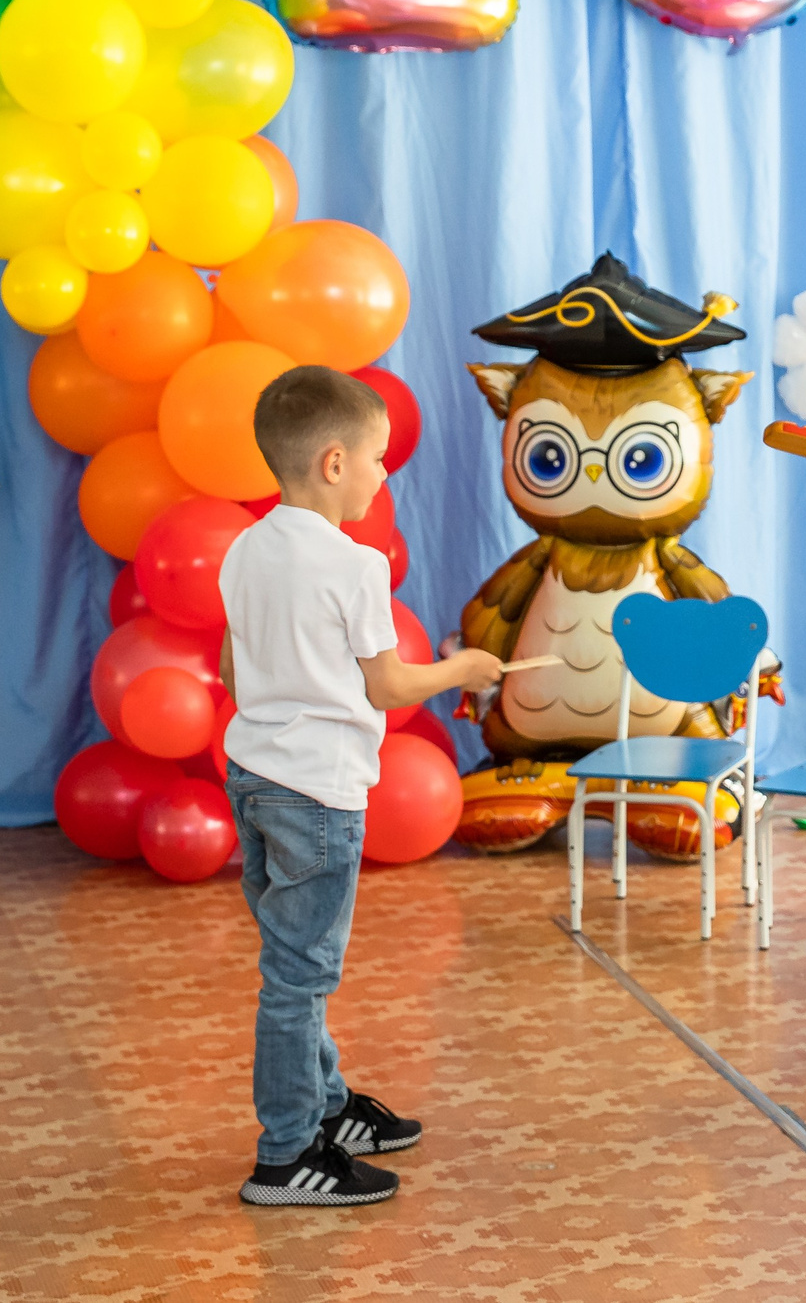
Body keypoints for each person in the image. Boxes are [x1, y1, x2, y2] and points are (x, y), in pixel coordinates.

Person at [219, 366, 502, 1207]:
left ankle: (329, 1108)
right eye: (378, 458)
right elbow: (388, 686)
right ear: (335, 463)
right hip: (318, 793)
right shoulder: (354, 564)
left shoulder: (243, 549)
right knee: (298, 979)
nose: (384, 474)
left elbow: (233, 669)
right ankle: (286, 1157)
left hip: (254, 779)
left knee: (292, 961)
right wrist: (465, 668)